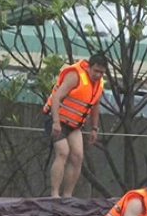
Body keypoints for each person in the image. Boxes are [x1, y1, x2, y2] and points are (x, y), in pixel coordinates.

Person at [42, 53, 109, 198]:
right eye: (96, 71)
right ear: (89, 67)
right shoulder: (75, 76)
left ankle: (67, 195)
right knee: (62, 152)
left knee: (78, 156)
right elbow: (56, 98)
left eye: (102, 72)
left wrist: (94, 128)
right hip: (56, 119)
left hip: (75, 124)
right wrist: (55, 122)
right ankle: (54, 194)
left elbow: (95, 106)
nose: (98, 75)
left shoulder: (99, 84)